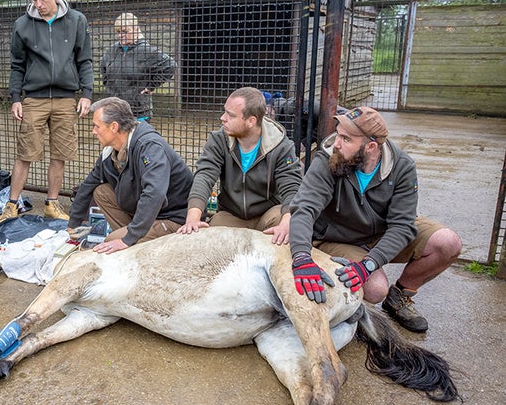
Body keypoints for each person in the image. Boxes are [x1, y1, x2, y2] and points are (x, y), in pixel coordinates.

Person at [288, 106, 462, 332]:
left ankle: (400, 296)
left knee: (448, 243)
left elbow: (402, 225)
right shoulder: (329, 157)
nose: (336, 144)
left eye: (346, 138)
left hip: (379, 232)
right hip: (337, 236)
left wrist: (369, 264)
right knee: (375, 289)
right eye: (338, 134)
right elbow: (305, 207)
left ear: (371, 147)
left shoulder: (402, 166)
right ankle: (354, 299)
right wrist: (301, 256)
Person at [0, 0, 94, 224]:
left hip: (65, 98)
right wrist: (16, 98)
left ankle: (52, 203)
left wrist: (86, 93)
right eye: (33, 0)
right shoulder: (22, 25)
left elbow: (84, 60)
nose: (38, 5)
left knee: (59, 154)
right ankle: (12, 204)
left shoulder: (76, 21)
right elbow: (17, 64)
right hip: (34, 98)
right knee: (25, 153)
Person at [67, 97, 193, 254]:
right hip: (150, 213)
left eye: (96, 126)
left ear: (114, 127)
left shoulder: (149, 146)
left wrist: (127, 238)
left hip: (172, 218)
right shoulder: (111, 150)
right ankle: (137, 238)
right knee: (102, 192)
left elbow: (155, 193)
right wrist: (73, 224)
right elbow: (89, 184)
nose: (93, 131)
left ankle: (134, 239)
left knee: (111, 242)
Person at [178, 87, 301, 245]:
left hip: (267, 214)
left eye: (230, 115)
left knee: (284, 223)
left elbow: (292, 187)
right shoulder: (218, 140)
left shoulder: (280, 145)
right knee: (207, 242)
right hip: (231, 214)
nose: (223, 118)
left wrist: (287, 223)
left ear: (251, 121)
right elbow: (204, 176)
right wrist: (192, 219)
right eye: (225, 112)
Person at [100, 12, 176, 121]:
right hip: (114, 110)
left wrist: (151, 85)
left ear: (136, 30)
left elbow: (171, 65)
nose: (121, 35)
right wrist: (109, 86)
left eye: (125, 32)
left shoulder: (147, 51)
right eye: (118, 32)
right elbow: (103, 67)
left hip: (138, 111)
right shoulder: (112, 50)